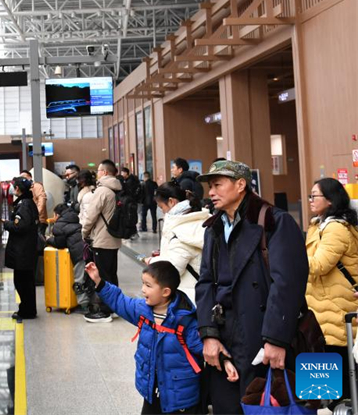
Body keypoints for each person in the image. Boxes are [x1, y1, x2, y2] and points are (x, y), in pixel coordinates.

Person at [195, 160, 308, 414]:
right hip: (224, 336)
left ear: (240, 185)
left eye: (217, 185)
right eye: (209, 187)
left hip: (262, 334)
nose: (211, 192)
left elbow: (287, 284)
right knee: (226, 406)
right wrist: (209, 334)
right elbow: (205, 283)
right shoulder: (214, 228)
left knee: (265, 405)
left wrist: (276, 339)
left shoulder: (273, 221)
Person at [85, 260, 206, 414]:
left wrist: (224, 359)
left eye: (148, 285)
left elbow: (204, 348)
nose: (143, 289)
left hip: (180, 395)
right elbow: (119, 301)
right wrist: (98, 281)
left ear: (165, 292)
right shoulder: (143, 310)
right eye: (143, 283)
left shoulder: (185, 320)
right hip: (152, 390)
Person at [305, 177, 358, 405]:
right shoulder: (317, 225)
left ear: (330, 199)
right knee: (320, 385)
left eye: (314, 195)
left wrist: (288, 260)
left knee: (336, 383)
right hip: (320, 307)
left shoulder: (336, 228)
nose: (310, 200)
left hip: (336, 307)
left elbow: (318, 265)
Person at [147, 182, 209, 305]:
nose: (163, 212)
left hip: (188, 298)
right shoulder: (198, 218)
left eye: (161, 207)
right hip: (201, 291)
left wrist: (152, 261)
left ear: (171, 202)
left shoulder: (182, 230)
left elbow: (172, 270)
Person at [81, 159, 122, 323]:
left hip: (102, 240)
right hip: (113, 239)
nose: (97, 173)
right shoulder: (116, 189)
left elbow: (90, 216)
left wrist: (84, 232)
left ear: (104, 172)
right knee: (111, 274)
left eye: (98, 170)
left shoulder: (102, 191)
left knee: (103, 276)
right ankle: (114, 307)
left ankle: (105, 312)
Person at [4, 177, 39, 320]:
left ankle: (26, 311)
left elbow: (20, 226)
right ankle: (29, 309)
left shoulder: (23, 205)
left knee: (22, 282)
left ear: (18, 188)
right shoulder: (29, 202)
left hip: (22, 250)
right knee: (27, 282)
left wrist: (7, 224)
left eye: (14, 186)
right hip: (27, 249)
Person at [46, 203, 89, 310]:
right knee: (89, 277)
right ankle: (94, 301)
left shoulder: (59, 224)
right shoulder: (74, 218)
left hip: (78, 254)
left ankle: (84, 306)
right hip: (87, 250)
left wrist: (48, 240)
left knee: (79, 280)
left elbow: (59, 243)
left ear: (57, 215)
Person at [21, 170, 48, 236]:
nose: (23, 179)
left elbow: (42, 201)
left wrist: (36, 214)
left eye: (24, 177)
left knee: (39, 239)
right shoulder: (25, 189)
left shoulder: (37, 186)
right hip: (30, 220)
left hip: (39, 220)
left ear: (30, 177)